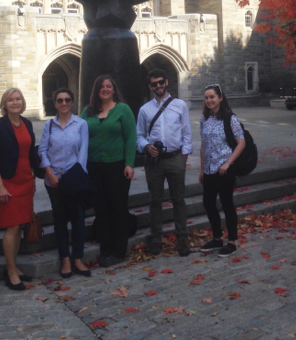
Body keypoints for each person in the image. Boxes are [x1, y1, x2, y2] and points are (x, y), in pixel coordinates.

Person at [81, 75, 137, 267]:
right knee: (101, 209)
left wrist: (129, 163)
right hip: (94, 166)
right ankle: (105, 250)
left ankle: (119, 251)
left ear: (114, 89)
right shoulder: (87, 112)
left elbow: (131, 138)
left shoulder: (123, 110)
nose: (105, 89)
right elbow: (77, 134)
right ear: (96, 90)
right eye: (101, 86)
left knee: (118, 208)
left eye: (108, 86)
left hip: (117, 166)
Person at [136, 69, 193, 257]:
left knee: (178, 199)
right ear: (150, 86)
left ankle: (182, 239)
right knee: (155, 201)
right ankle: (155, 239)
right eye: (154, 84)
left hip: (175, 158)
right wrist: (146, 146)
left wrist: (183, 156)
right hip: (155, 161)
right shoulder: (145, 109)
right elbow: (139, 136)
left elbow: (186, 132)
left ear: (167, 82)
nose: (158, 86)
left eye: (161, 82)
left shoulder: (180, 105)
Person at [39, 88, 92, 279]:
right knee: (59, 219)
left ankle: (78, 257)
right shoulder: (49, 126)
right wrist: (50, 173)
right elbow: (43, 150)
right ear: (55, 103)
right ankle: (66, 259)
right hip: (52, 179)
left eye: (67, 100)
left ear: (72, 102)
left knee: (78, 218)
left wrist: (73, 176)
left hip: (73, 179)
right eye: (59, 100)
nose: (63, 103)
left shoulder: (81, 124)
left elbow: (83, 154)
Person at [0, 88, 36, 291]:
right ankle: (11, 270)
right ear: (4, 104)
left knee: (21, 225)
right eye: (10, 100)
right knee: (12, 227)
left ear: (22, 102)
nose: (15, 103)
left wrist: (34, 177)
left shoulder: (27, 123)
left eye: (18, 99)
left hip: (25, 181)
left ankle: (13, 267)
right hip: (7, 183)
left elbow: (30, 153)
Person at [198, 84, 245, 258]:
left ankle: (232, 241)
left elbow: (241, 142)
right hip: (210, 169)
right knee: (208, 203)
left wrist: (228, 163)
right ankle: (217, 238)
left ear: (220, 98)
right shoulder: (204, 119)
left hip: (225, 169)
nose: (209, 100)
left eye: (212, 97)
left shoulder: (230, 118)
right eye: (207, 98)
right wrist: (202, 169)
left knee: (227, 204)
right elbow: (203, 145)